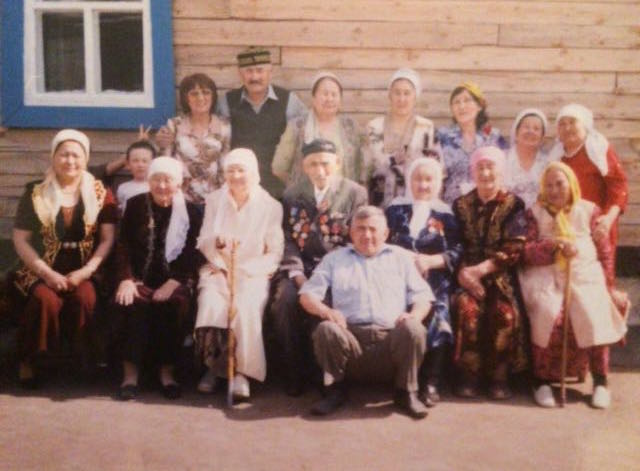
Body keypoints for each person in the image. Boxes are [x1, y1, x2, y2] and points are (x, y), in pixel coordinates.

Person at [299, 206, 434, 419]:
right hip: (351, 342)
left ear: (385, 233)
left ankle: (406, 392)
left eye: (373, 229)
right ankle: (335, 390)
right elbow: (307, 295)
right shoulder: (334, 259)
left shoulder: (401, 258)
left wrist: (414, 315)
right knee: (326, 329)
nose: (367, 235)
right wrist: (326, 310)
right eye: (360, 229)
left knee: (414, 328)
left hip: (391, 343)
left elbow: (423, 297)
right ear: (351, 233)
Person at [12, 129, 117, 387]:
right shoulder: (35, 192)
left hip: (84, 267)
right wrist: (46, 274)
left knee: (85, 298)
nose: (70, 161)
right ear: (53, 157)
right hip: (41, 266)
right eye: (64, 154)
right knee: (44, 300)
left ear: (85, 158)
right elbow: (20, 240)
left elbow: (107, 239)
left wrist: (86, 271)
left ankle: (83, 362)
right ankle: (30, 362)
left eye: (76, 155)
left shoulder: (101, 193)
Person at [519, 162, 628, 409]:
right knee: (546, 313)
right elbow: (525, 252)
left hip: (583, 273)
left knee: (593, 311)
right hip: (544, 275)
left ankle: (600, 382)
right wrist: (554, 247)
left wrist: (609, 286)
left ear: (571, 183)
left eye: (560, 183)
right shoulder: (534, 213)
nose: (554, 190)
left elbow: (604, 252)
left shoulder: (589, 211)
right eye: (548, 185)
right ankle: (541, 381)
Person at [270, 138, 367, 395]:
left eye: (325, 164)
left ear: (338, 163)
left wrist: (328, 276)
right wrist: (298, 275)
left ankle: (331, 374)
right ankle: (293, 372)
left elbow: (356, 238)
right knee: (285, 301)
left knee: (332, 302)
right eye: (313, 165)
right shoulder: (292, 195)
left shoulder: (354, 193)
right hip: (300, 269)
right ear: (304, 166)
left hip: (338, 268)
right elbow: (288, 238)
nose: (320, 171)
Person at [195, 148, 284, 400]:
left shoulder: (271, 206)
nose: (235, 176)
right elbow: (203, 239)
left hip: (253, 271)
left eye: (241, 170)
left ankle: (242, 372)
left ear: (253, 172)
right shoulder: (214, 200)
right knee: (211, 302)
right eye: (230, 170)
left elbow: (275, 251)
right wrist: (217, 242)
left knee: (245, 307)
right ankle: (216, 367)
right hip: (219, 267)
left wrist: (248, 270)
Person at [114, 156, 202, 400]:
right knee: (131, 302)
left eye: (168, 180)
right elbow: (123, 246)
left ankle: (167, 374)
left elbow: (193, 251)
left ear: (178, 183)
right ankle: (130, 376)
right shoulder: (135, 205)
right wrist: (126, 278)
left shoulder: (191, 211)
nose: (162, 186)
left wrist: (174, 282)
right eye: (156, 179)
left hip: (175, 279)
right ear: (149, 181)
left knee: (172, 304)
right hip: (138, 278)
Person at [452, 146, 528, 400]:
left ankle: (499, 378)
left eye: (490, 167)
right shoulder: (461, 205)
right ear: (472, 172)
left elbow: (515, 247)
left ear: (501, 171)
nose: (485, 173)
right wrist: (463, 274)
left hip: (500, 275)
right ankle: (468, 376)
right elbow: (455, 244)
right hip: (465, 275)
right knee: (468, 311)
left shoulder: (514, 204)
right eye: (480, 168)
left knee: (504, 314)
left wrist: (480, 270)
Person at [385, 157, 462, 406]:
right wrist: (409, 258)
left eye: (429, 179)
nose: (423, 185)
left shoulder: (446, 214)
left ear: (438, 183)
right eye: (418, 179)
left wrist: (432, 261)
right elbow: (381, 242)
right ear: (409, 181)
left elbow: (457, 250)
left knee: (439, 312)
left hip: (433, 276)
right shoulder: (395, 209)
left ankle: (431, 381)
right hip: (395, 274)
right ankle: (399, 377)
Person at [218, 47, 307, 199]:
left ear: (270, 72)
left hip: (279, 189)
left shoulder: (289, 101)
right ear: (240, 74)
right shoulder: (227, 102)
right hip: (240, 187)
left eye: (260, 71)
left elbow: (304, 137)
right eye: (249, 71)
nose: (255, 77)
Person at [548, 103, 628, 259]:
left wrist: (608, 219)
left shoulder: (598, 150)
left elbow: (619, 187)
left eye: (572, 122)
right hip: (568, 228)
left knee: (599, 269)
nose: (567, 128)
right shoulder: (556, 156)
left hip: (598, 225)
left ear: (584, 125)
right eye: (562, 124)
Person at [362, 68, 439, 208]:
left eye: (407, 93)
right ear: (390, 95)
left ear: (415, 96)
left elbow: (435, 171)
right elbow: (365, 171)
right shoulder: (374, 127)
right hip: (378, 204)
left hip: (415, 203)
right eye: (397, 93)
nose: (402, 99)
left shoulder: (426, 127)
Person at [272, 71, 362, 187]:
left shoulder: (351, 127)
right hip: (305, 196)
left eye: (334, 94)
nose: (329, 99)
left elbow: (361, 164)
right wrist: (297, 188)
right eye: (325, 94)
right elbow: (279, 168)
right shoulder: (297, 126)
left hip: (343, 195)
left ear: (340, 100)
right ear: (313, 98)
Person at [156, 73, 231, 205]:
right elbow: (165, 162)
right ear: (186, 98)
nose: (200, 98)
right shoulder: (174, 125)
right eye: (194, 94)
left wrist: (222, 199)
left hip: (214, 199)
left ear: (213, 96)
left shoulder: (224, 127)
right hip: (181, 199)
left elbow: (225, 165)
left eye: (206, 92)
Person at [438, 82, 507, 204]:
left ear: (479, 106)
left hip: (487, 206)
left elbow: (505, 173)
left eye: (467, 100)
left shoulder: (493, 137)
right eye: (456, 102)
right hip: (451, 207)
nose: (461, 106)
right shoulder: (443, 137)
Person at [504, 108, 553, 208]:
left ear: (542, 138)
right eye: (526, 127)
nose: (531, 131)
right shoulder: (502, 159)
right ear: (516, 133)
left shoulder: (548, 163)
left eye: (536, 129)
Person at [115, 139, 157, 214]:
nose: (140, 165)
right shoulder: (123, 188)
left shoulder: (157, 186)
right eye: (135, 161)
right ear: (128, 164)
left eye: (145, 161)